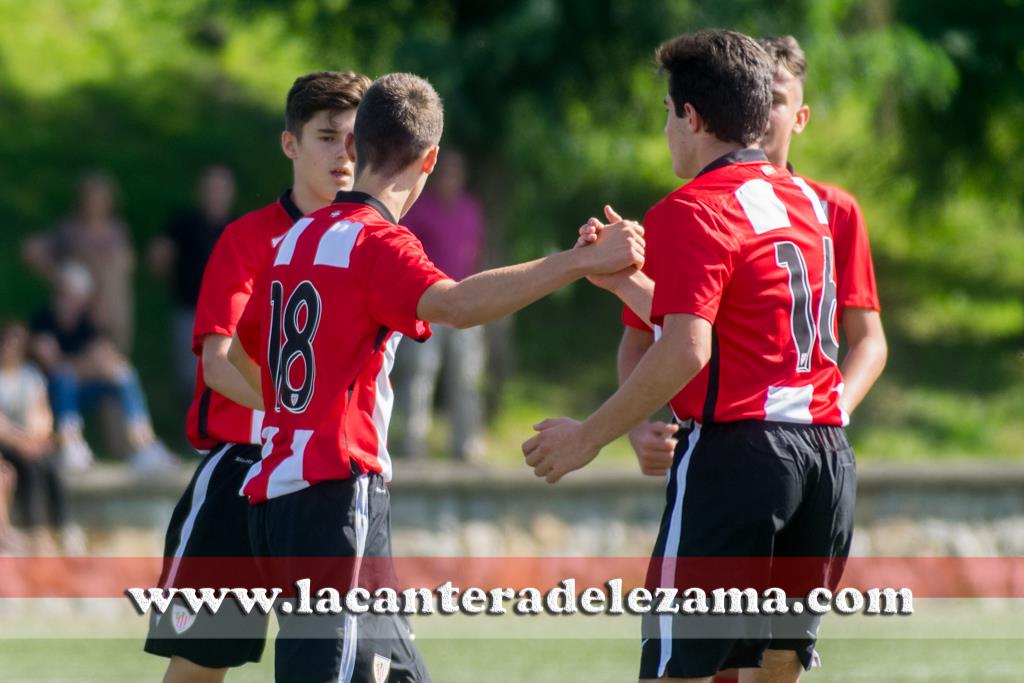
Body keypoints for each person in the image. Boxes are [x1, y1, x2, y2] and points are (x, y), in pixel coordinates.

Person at [229, 72, 644, 683]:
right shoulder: (378, 243)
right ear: (430, 160)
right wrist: (579, 261)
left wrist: (299, 412)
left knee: (396, 672)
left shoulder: (292, 240)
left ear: (354, 147)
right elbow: (456, 305)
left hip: (281, 501)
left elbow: (245, 358)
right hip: (333, 498)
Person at [524, 30, 857, 683]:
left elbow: (688, 346)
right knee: (775, 666)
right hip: (827, 457)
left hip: (742, 460)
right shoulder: (809, 203)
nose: (666, 129)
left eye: (667, 113)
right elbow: (737, 325)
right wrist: (623, 281)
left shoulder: (693, 208)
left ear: (692, 116)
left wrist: (588, 436)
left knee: (679, 669)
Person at [143, 70, 373, 683]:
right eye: (327, 136)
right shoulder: (246, 241)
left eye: (356, 139)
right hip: (242, 475)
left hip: (331, 485)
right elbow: (218, 365)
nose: (344, 154)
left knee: (349, 668)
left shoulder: (376, 244)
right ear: (290, 144)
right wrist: (296, 416)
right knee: (197, 669)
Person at [30, 262, 175, 472]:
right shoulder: (42, 321)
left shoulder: (88, 324)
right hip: (48, 394)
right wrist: (86, 364)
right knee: (64, 377)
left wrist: (84, 364)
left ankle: (144, 443)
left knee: (124, 376)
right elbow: (52, 366)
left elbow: (108, 361)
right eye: (66, 295)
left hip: (83, 388)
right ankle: (70, 444)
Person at [394, 149, 487, 461]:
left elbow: (477, 255)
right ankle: (412, 441)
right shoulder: (420, 210)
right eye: (445, 172)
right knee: (420, 373)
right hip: (428, 303)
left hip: (467, 301)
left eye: (455, 172)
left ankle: (467, 444)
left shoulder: (470, 210)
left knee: (466, 376)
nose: (450, 178)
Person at [148, 164, 238, 405]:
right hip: (189, 309)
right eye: (211, 187)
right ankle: (194, 433)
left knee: (228, 372)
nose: (216, 193)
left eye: (221, 188)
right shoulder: (183, 222)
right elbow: (158, 259)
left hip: (227, 316)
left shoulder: (237, 228)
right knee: (190, 376)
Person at [22, 172, 136, 353]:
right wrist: (58, 276)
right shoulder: (69, 229)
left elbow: (127, 265)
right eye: (89, 198)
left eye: (99, 199)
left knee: (115, 355)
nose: (94, 204)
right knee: (83, 354)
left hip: (115, 304)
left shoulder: (119, 230)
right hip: (81, 310)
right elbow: (34, 250)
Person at [0, 320, 80, 554]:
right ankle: (38, 530)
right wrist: (23, 442)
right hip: (7, 442)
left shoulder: (30, 375)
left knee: (47, 463)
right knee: (28, 466)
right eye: (6, 342)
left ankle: (63, 527)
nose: (10, 347)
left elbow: (41, 412)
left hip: (27, 441)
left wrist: (37, 437)